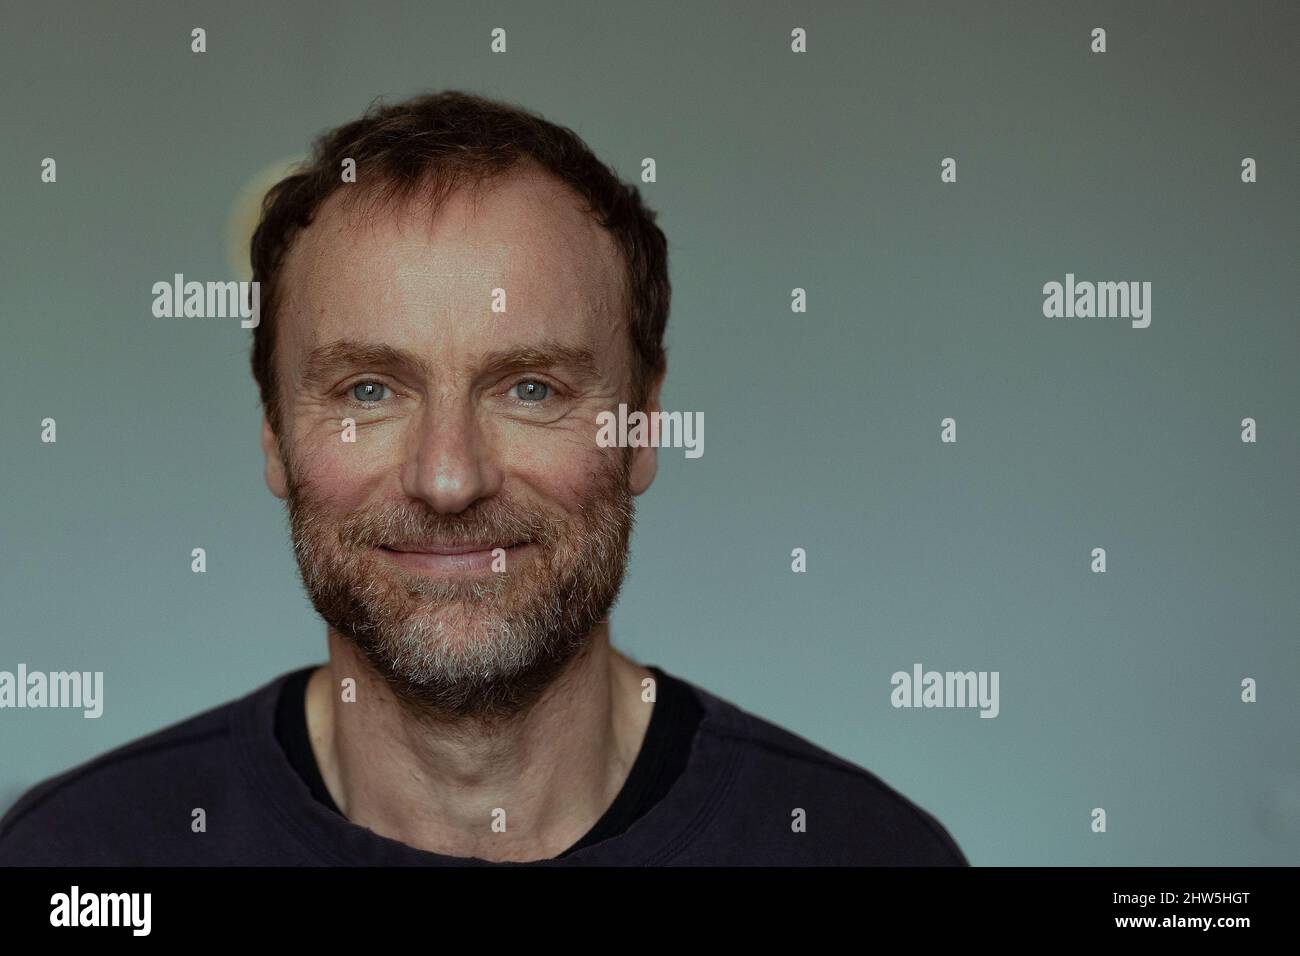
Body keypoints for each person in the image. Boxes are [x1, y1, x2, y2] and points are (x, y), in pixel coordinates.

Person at [0, 91, 967, 866]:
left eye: (532, 388)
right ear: (273, 436)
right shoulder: (81, 858)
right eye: (370, 389)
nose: (449, 478)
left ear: (642, 428)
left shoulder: (860, 849)